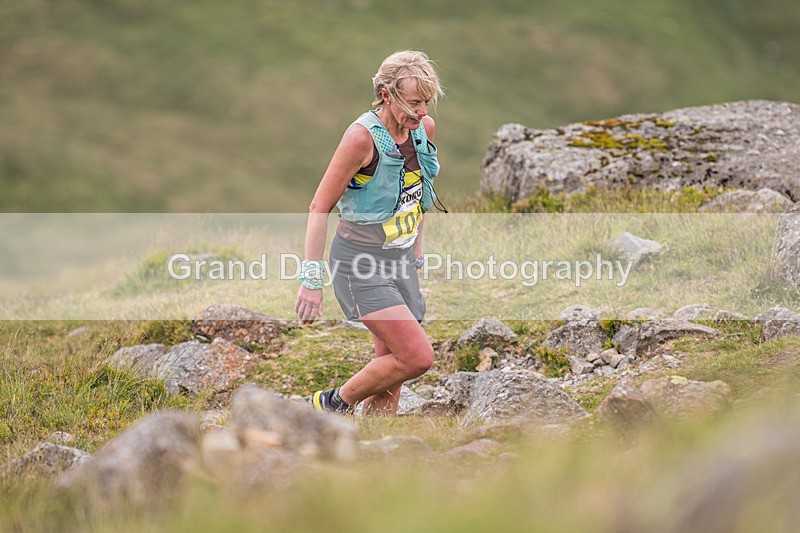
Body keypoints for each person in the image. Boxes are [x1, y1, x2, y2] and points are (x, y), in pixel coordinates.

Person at [295, 50, 444, 416]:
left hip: (399, 261)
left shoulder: (422, 129)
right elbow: (319, 206)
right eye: (414, 102)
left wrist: (416, 253)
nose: (422, 111)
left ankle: (377, 440)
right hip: (360, 264)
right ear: (386, 94)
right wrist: (312, 280)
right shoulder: (361, 139)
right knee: (417, 357)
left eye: (426, 101)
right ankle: (332, 402)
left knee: (392, 368)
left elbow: (417, 195)